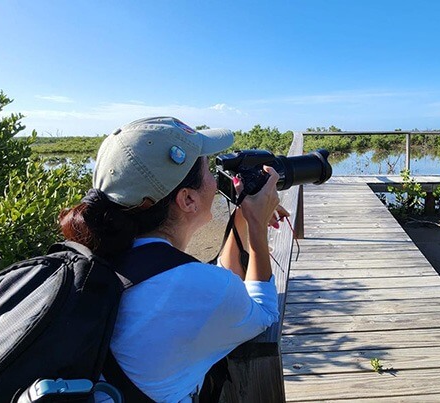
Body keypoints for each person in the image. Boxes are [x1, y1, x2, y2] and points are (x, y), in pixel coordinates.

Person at [58, 116, 287, 402]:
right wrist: (257, 225)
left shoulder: (106, 256)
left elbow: (214, 285)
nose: (216, 181)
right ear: (188, 199)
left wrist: (243, 215)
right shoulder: (191, 285)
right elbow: (263, 312)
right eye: (208, 169)